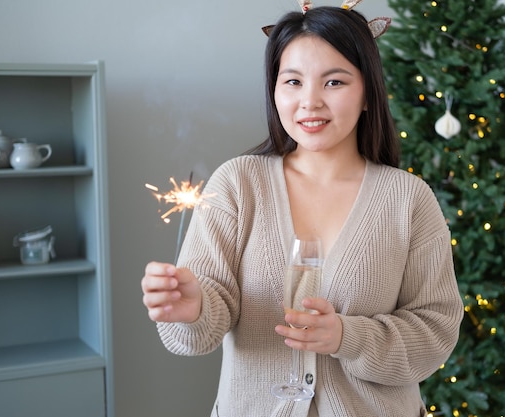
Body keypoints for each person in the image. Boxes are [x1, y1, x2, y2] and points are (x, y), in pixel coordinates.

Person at [141, 3, 463, 417]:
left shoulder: (408, 199)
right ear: (275, 90)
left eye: (334, 82)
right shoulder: (238, 185)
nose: (309, 102)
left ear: (368, 94)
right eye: (292, 81)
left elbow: (435, 332)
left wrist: (348, 336)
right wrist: (194, 310)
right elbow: (197, 331)